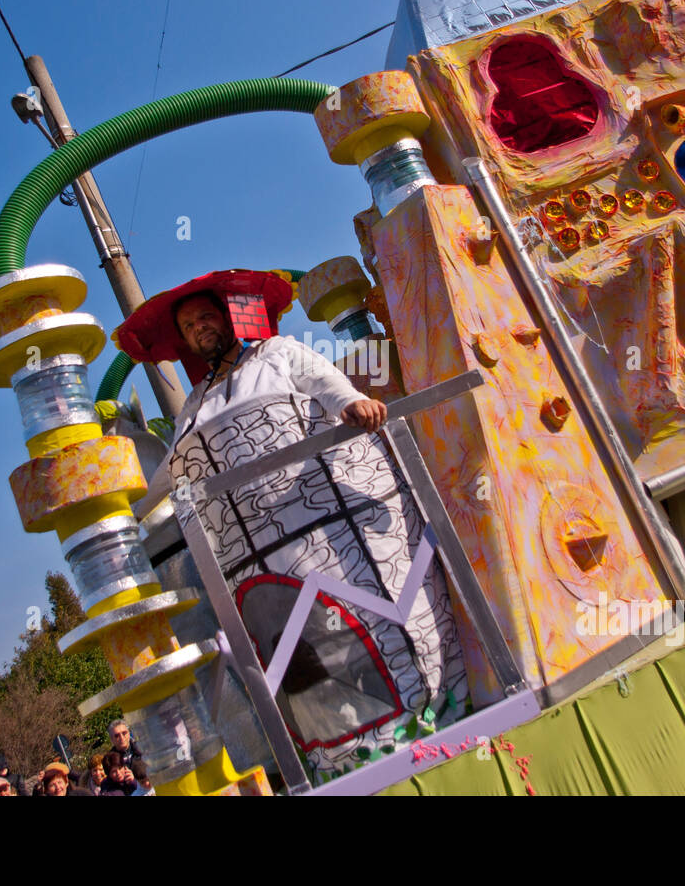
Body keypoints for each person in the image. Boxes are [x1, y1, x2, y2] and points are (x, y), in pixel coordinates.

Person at [115, 269, 469, 778]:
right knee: (308, 651)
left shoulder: (278, 354)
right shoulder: (193, 406)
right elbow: (172, 474)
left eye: (206, 317)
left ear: (230, 315)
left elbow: (329, 386)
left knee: (369, 618)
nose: (200, 329)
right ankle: (345, 762)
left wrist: (353, 405)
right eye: (190, 326)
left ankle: (434, 724)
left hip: (328, 530)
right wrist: (126, 514)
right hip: (258, 558)